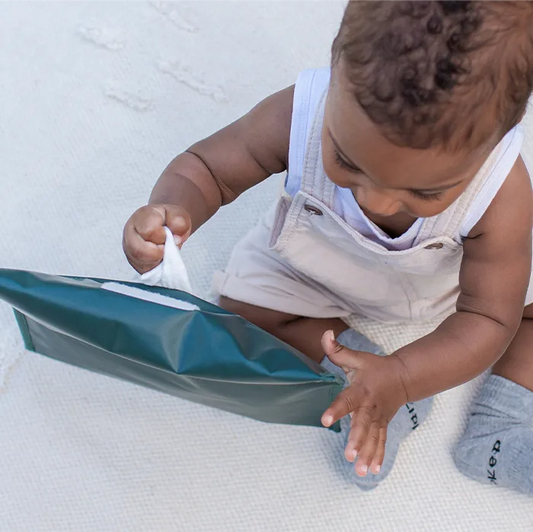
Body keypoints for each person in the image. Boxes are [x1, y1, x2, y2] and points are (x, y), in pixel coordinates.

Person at [123, 0, 533, 494]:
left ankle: (499, 427)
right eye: (347, 159)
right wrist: (170, 210)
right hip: (315, 266)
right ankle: (362, 370)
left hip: (446, 288)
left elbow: (488, 318)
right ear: (335, 64)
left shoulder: (503, 193)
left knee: (520, 303)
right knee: (240, 307)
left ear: (499, 139)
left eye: (424, 191)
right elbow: (207, 169)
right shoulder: (300, 113)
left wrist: (407, 374)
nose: (375, 201)